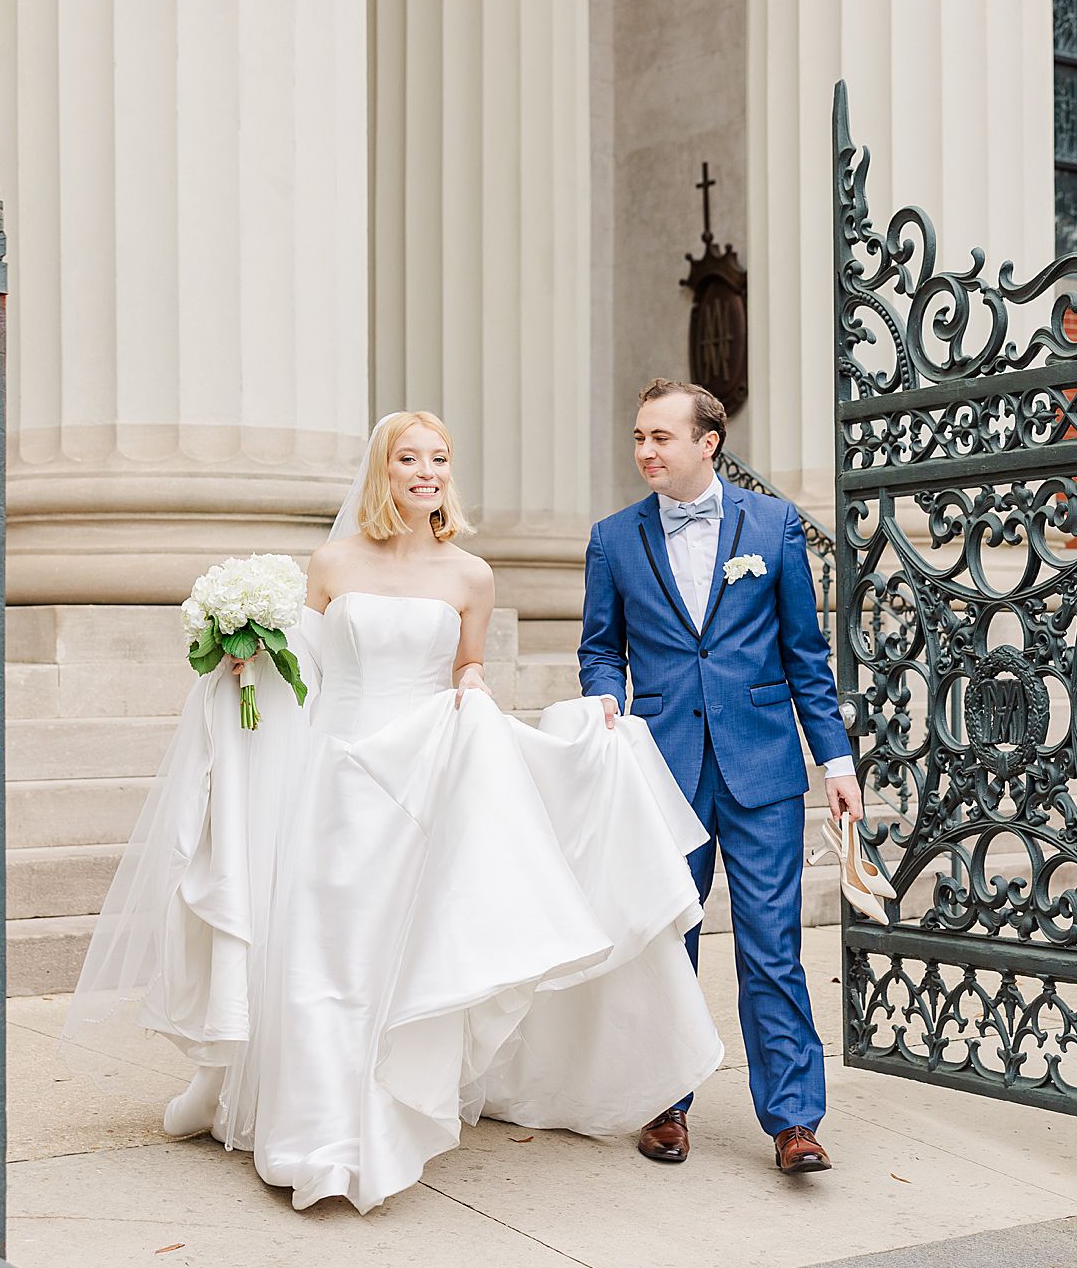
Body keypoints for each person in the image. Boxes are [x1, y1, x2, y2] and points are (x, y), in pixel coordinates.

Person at [64, 410, 723, 1214]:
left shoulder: (471, 576)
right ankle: (313, 1129)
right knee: (323, 949)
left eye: (439, 458)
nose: (427, 471)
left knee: (393, 956)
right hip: (335, 771)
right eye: (409, 457)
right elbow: (297, 663)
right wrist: (245, 655)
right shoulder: (332, 562)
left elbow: (467, 665)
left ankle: (373, 1122)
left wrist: (475, 690)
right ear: (382, 470)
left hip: (421, 780)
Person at [580, 378, 861, 1175]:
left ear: (709, 442)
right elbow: (601, 646)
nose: (644, 451)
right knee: (669, 941)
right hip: (661, 769)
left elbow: (806, 656)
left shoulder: (772, 526)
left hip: (763, 765)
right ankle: (664, 1102)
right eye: (638, 436)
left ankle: (795, 1119)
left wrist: (834, 761)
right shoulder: (613, 538)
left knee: (772, 946)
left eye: (660, 437)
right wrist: (604, 699)